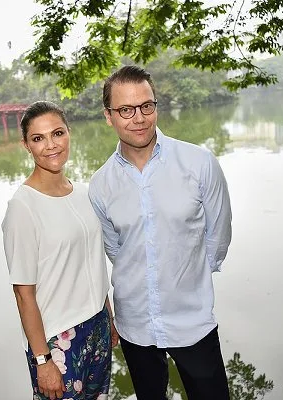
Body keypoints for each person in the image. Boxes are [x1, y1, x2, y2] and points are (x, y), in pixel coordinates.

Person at [88, 65, 233, 400]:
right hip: (135, 324)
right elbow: (116, 250)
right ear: (109, 116)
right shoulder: (101, 184)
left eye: (146, 106)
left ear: (156, 105)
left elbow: (218, 236)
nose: (138, 118)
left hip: (192, 319)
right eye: (125, 110)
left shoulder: (199, 163)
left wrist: (187, 275)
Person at [1, 101, 118, 400]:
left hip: (98, 327)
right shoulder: (23, 207)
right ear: (26, 145)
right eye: (38, 138)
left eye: (57, 133)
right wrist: (43, 361)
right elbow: (23, 292)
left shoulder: (83, 193)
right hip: (58, 341)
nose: (50, 145)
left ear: (69, 134)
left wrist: (109, 317)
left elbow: (90, 263)